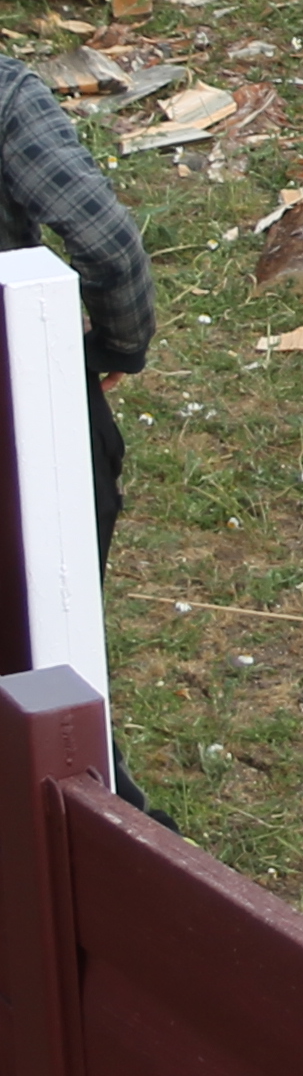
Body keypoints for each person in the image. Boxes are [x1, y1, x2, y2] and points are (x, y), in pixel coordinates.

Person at [0, 55, 163, 814]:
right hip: (16, 401)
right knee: (45, 637)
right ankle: (95, 815)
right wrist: (115, 348)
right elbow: (105, 243)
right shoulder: (4, 91)